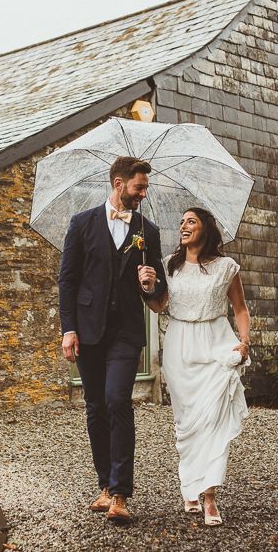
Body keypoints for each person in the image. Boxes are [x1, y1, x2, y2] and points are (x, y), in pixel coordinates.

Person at [59, 156, 167, 523]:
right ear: (119, 183)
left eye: (145, 188)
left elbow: (159, 289)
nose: (143, 194)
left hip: (126, 332)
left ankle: (121, 493)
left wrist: (151, 284)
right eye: (139, 187)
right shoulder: (82, 223)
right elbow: (68, 281)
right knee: (95, 408)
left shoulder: (146, 231)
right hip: (88, 332)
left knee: (117, 399)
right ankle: (105, 485)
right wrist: (68, 329)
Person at [139, 207, 251, 526]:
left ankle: (211, 495)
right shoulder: (169, 266)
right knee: (187, 423)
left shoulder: (226, 267)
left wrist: (244, 340)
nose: (184, 226)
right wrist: (147, 287)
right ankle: (190, 485)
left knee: (214, 422)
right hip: (179, 345)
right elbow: (159, 306)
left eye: (191, 222)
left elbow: (240, 309)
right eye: (182, 223)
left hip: (216, 341)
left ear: (206, 229)